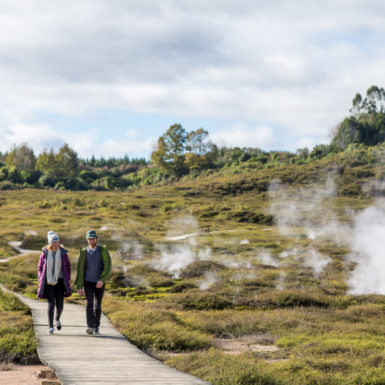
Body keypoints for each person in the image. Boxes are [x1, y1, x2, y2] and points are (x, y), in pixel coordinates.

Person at [75, 230, 111, 335]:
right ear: (87, 240)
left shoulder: (103, 250)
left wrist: (102, 280)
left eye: (93, 239)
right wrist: (79, 286)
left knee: (97, 305)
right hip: (87, 282)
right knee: (89, 303)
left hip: (99, 282)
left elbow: (108, 266)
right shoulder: (83, 252)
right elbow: (80, 270)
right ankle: (90, 326)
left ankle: (96, 326)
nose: (91, 241)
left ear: (96, 239)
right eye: (89, 239)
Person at [37, 231, 72, 334]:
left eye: (57, 241)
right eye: (54, 242)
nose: (56, 244)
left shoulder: (63, 253)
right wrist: (40, 278)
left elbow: (68, 266)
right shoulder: (45, 253)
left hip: (60, 282)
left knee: (60, 304)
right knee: (51, 304)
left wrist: (68, 277)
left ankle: (57, 319)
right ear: (50, 243)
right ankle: (51, 327)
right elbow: (39, 267)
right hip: (48, 282)